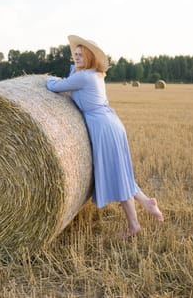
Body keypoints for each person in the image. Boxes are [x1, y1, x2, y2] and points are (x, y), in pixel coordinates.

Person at [46, 35, 164, 237]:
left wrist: (44, 79)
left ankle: (136, 222)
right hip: (111, 123)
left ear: (90, 56)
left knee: (117, 174)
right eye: (74, 55)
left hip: (102, 126)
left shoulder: (84, 77)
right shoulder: (95, 74)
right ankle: (145, 203)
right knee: (121, 171)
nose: (76, 57)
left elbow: (55, 87)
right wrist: (75, 68)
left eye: (81, 55)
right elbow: (71, 78)